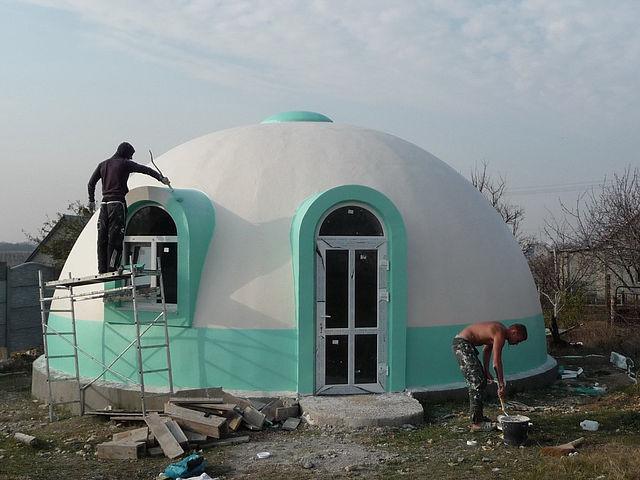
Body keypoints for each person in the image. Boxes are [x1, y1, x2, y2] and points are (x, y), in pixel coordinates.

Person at [88, 142, 170, 273]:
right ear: (126, 153)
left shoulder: (103, 165)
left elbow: (91, 183)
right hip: (117, 204)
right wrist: (161, 178)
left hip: (104, 205)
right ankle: (112, 267)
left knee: (102, 237)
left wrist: (91, 200)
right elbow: (145, 170)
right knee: (115, 237)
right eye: (130, 156)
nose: (130, 158)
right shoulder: (125, 163)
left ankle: (101, 269)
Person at [452, 322, 528, 431]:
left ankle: (479, 417)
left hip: (465, 344)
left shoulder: (497, 331)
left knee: (480, 380)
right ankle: (477, 423)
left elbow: (487, 350)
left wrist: (486, 371)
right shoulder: (500, 333)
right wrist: (501, 384)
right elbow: (496, 362)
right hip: (462, 344)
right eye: (518, 340)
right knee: (477, 381)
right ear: (514, 332)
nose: (517, 344)